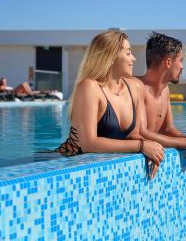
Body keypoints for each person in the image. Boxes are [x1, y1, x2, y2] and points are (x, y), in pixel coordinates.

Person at [56, 30, 164, 179]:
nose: (133, 58)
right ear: (111, 56)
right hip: (65, 163)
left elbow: (134, 135)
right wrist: (141, 146)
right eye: (128, 53)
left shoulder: (134, 87)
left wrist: (154, 149)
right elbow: (88, 143)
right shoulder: (90, 87)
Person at [133, 32, 186, 155]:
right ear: (168, 62)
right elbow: (140, 133)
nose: (182, 67)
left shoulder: (165, 90)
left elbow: (167, 129)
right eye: (180, 61)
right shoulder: (136, 87)